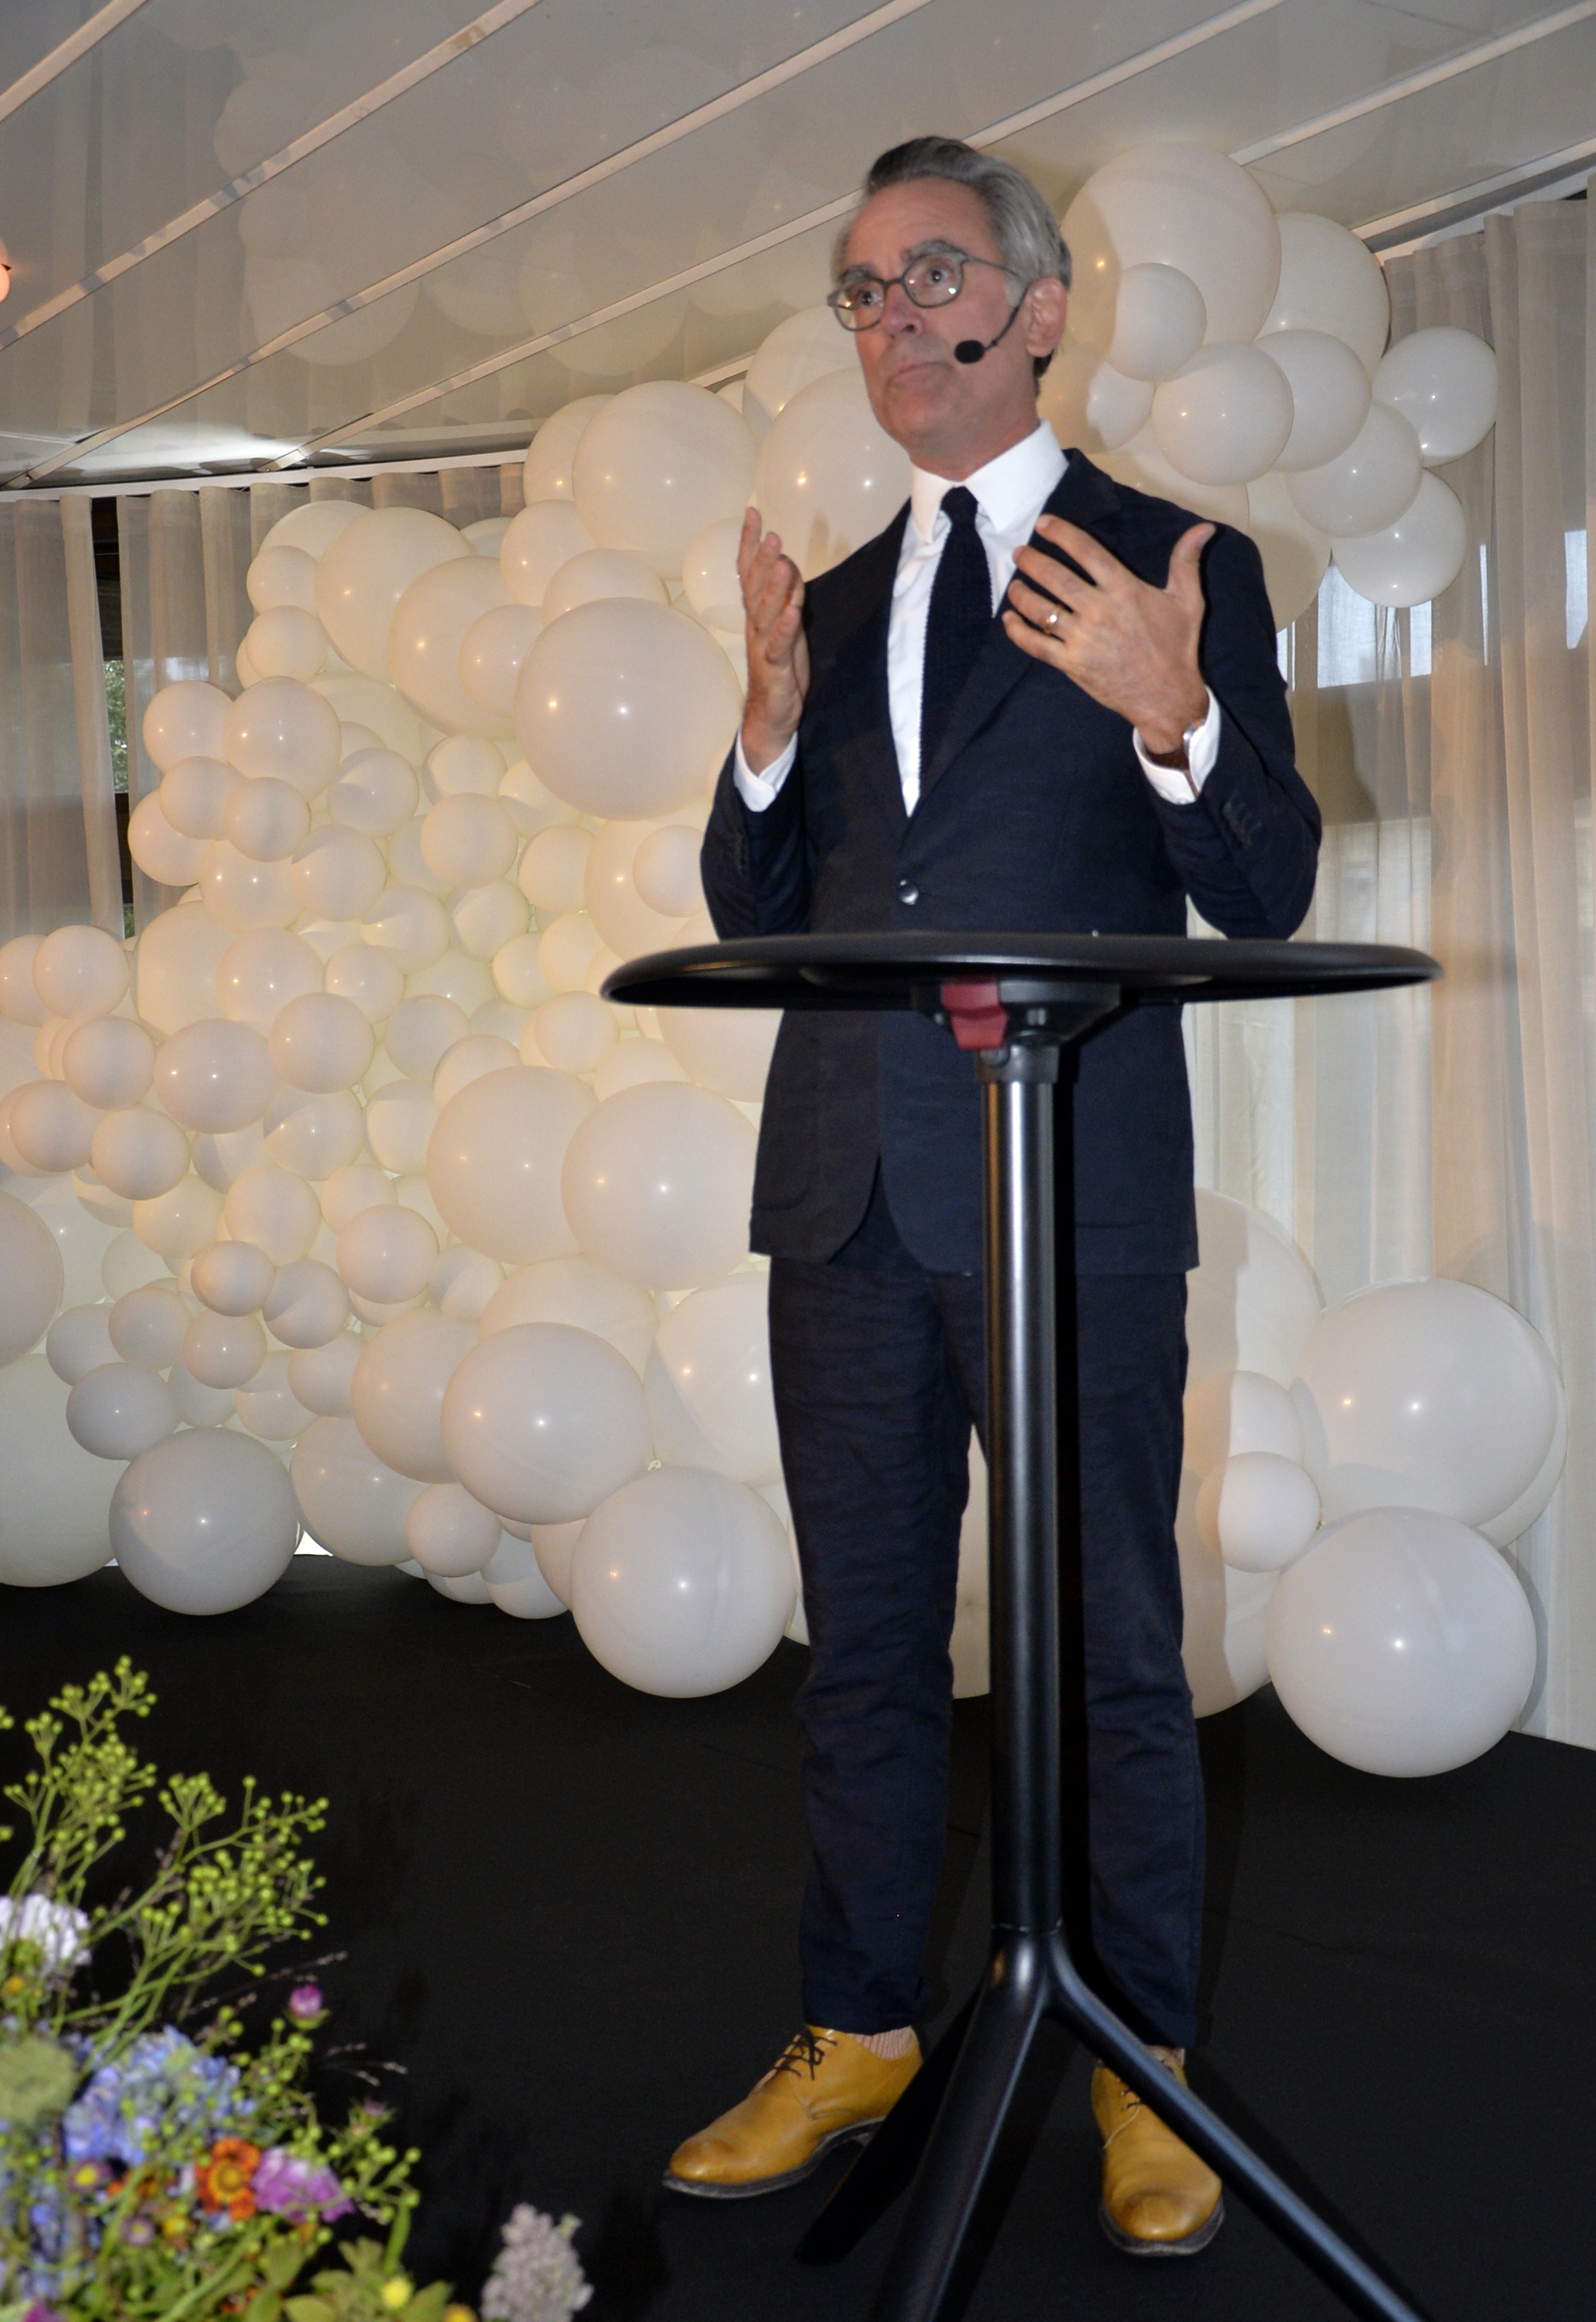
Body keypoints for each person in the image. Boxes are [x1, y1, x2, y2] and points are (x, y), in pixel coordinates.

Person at [670, 135, 1320, 2257]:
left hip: (1072, 1200)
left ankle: (1146, 2055)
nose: (891, 321)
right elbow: (759, 914)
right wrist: (766, 730)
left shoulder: (1174, 563)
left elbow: (1266, 888)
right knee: (861, 1650)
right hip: (845, 1200)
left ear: (1039, 311)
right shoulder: (844, 598)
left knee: (1114, 1647)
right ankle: (858, 2025)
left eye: (931, 276)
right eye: (860, 292)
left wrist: (1176, 709)